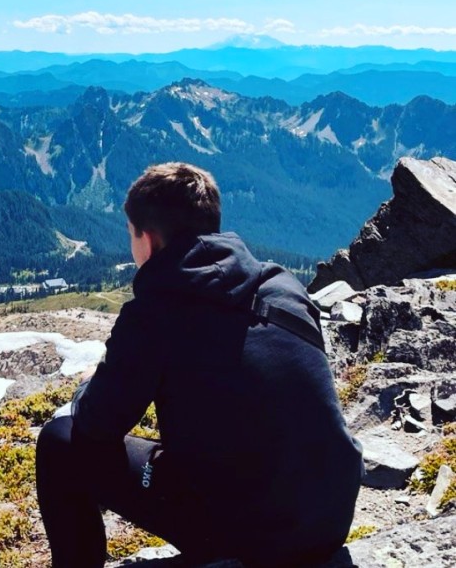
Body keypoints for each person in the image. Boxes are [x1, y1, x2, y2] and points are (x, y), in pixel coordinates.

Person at [35, 162, 363, 568]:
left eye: (131, 233)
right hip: (330, 516)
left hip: (253, 540)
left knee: (60, 442)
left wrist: (88, 386)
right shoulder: (282, 286)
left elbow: (96, 424)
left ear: (148, 239)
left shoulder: (153, 314)